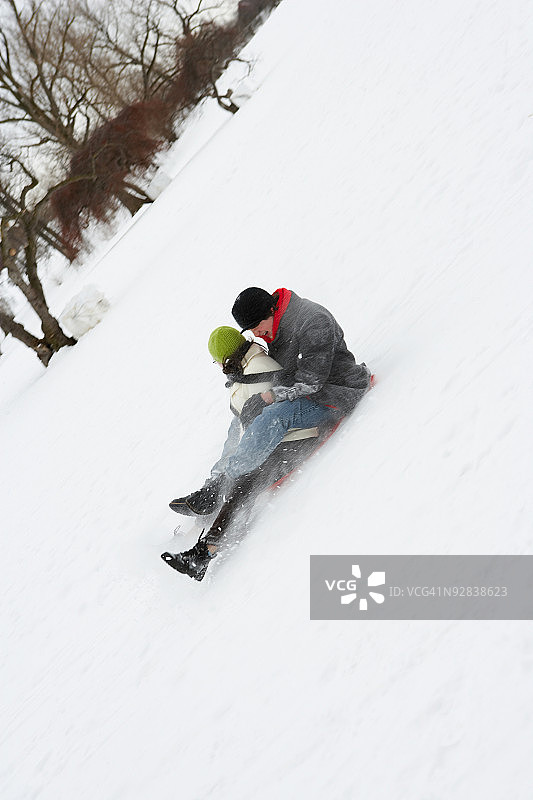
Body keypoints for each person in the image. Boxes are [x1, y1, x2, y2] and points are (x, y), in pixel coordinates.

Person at [162, 326, 323, 580]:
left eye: (216, 360)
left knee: (243, 484)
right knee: (236, 477)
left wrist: (229, 472)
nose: (217, 365)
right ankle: (203, 521)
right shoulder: (245, 371)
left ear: (226, 358)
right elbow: (241, 429)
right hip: (272, 439)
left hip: (293, 439)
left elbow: (259, 428)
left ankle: (204, 551)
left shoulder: (257, 372)